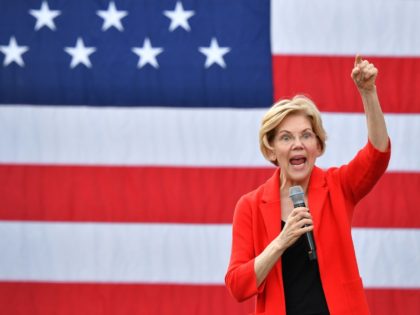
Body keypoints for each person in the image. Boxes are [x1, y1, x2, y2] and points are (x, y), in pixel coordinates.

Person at [225, 56, 390, 315]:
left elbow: (378, 154)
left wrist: (368, 93)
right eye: (286, 137)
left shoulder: (338, 186)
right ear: (271, 151)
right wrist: (282, 240)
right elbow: (237, 285)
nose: (297, 144)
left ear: (318, 146)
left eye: (306, 135)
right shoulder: (251, 206)